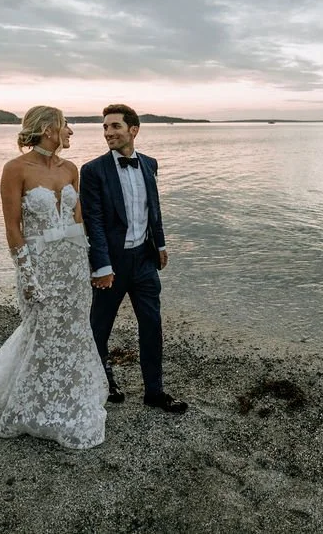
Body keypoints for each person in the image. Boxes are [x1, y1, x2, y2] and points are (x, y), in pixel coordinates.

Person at [0, 106, 108, 448]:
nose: (71, 131)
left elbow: (77, 222)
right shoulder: (14, 169)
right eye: (66, 125)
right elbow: (13, 228)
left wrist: (90, 264)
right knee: (38, 330)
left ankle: (68, 394)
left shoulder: (71, 169)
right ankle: (32, 402)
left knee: (73, 330)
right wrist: (26, 273)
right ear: (49, 129)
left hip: (71, 265)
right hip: (38, 266)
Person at [81, 104, 188, 414]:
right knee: (99, 328)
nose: (108, 133)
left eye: (114, 126)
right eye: (105, 127)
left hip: (144, 259)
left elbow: (153, 210)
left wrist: (162, 245)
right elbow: (94, 221)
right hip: (110, 264)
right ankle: (104, 380)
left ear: (133, 130)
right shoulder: (92, 171)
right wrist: (102, 266)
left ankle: (154, 391)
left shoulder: (150, 164)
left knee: (152, 325)